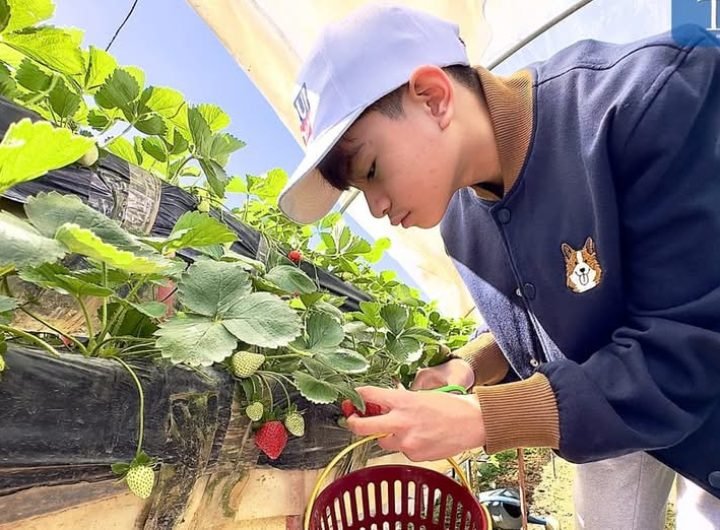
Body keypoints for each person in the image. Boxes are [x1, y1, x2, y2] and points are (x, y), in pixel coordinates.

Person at [277, 4, 720, 528]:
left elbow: (691, 343)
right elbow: (531, 317)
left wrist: (484, 418)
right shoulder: (461, 225)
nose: (375, 206)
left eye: (371, 170)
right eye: (360, 188)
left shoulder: (645, 100)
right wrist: (467, 367)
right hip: (611, 409)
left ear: (433, 97)